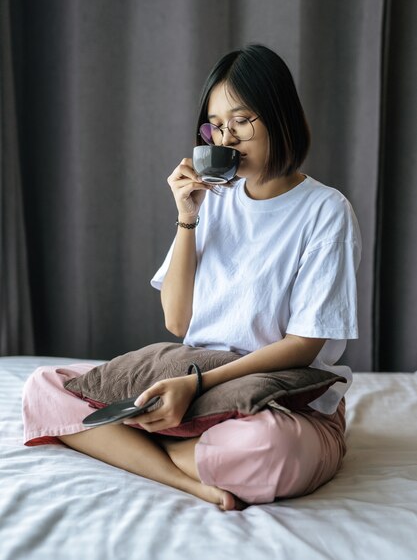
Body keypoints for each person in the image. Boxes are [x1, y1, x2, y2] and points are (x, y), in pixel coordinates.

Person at [22, 44, 361, 511]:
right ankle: (188, 478)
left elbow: (304, 345)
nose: (226, 139)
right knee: (43, 387)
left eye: (241, 121)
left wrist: (198, 384)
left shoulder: (326, 210)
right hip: (198, 380)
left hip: (284, 399)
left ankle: (133, 443)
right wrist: (187, 217)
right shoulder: (215, 199)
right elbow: (178, 323)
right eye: (216, 125)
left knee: (268, 451)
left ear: (280, 115)